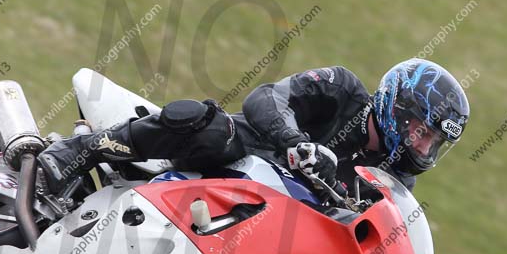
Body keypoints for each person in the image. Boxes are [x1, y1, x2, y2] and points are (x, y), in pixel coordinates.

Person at [37, 58, 470, 196]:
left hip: (274, 213)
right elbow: (266, 97)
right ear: (397, 106)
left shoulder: (396, 181)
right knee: (211, 128)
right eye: (422, 129)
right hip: (244, 154)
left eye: (433, 141)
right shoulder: (341, 89)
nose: (423, 144)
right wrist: (297, 143)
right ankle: (84, 149)